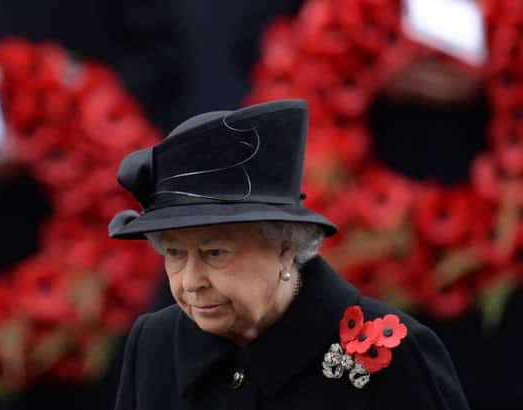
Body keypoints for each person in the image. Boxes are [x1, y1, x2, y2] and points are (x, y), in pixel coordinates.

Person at [108, 99, 470, 409]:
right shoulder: (154, 343)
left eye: (215, 253)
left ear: (285, 250)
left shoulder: (393, 351)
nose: (190, 282)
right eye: (174, 253)